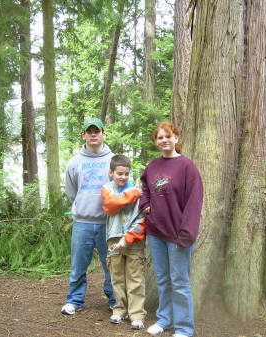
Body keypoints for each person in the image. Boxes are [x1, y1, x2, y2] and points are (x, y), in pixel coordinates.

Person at [140, 122, 203, 337]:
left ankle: (184, 327)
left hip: (178, 236)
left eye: (168, 136)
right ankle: (165, 319)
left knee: (180, 281)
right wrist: (145, 204)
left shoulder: (187, 167)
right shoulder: (153, 166)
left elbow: (194, 202)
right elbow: (145, 188)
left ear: (176, 138)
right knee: (163, 279)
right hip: (156, 232)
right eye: (160, 137)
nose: (164, 140)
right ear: (156, 142)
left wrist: (187, 233)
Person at [61, 117, 116, 315]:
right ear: (84, 135)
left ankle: (114, 299)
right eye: (89, 131)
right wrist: (83, 204)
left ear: (103, 134)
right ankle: (75, 300)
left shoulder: (113, 160)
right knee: (78, 266)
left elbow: (122, 188)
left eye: (97, 131)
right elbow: (72, 192)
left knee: (111, 264)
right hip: (83, 222)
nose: (93, 134)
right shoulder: (75, 162)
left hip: (108, 223)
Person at [101, 154, 147, 330]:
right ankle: (119, 309)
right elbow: (112, 205)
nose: (123, 177)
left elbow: (142, 218)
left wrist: (128, 237)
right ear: (111, 172)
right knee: (117, 276)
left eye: (126, 174)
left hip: (134, 241)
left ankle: (136, 314)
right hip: (113, 238)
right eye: (119, 173)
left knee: (135, 277)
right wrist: (133, 194)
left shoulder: (137, 191)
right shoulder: (107, 189)